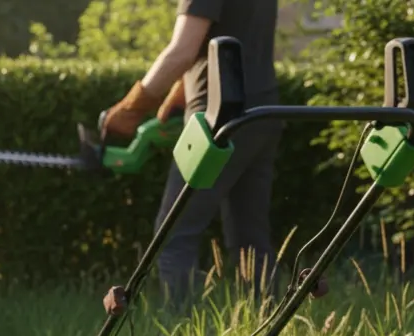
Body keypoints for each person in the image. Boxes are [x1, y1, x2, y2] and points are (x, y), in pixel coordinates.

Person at [100, 0, 283, 316]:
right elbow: (228, 39)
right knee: (250, 237)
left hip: (218, 117)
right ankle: (269, 328)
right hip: (263, 112)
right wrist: (177, 98)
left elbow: (182, 51)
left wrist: (130, 110)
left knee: (174, 231)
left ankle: (179, 332)